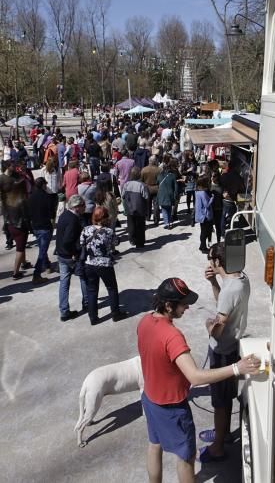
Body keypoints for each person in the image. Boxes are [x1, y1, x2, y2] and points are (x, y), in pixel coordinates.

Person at [137, 278, 260, 483]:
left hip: (150, 399)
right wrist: (237, 368)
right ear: (168, 305)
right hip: (172, 408)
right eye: (183, 303)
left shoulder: (144, 321)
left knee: (154, 445)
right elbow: (194, 376)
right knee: (186, 458)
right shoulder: (172, 335)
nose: (186, 308)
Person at [200, 242, 251, 461]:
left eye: (211, 258)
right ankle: (224, 433)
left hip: (222, 350)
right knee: (227, 397)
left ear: (219, 261)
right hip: (234, 347)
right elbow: (223, 300)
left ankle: (218, 446)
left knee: (220, 402)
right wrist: (213, 280)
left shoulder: (230, 290)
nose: (209, 262)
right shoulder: (241, 279)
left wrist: (209, 325)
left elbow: (218, 330)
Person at [80, 206, 127, 325]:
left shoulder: (86, 230)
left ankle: (93, 317)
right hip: (105, 264)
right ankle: (115, 314)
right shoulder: (108, 231)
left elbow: (81, 243)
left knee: (92, 290)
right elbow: (116, 242)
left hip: (89, 263)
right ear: (105, 218)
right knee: (111, 288)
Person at [55, 194, 88, 321]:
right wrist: (74, 252)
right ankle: (87, 303)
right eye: (83, 206)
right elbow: (68, 240)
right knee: (83, 277)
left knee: (64, 283)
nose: (84, 208)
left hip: (61, 255)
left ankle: (64, 311)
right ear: (77, 207)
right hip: (70, 256)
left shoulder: (64, 215)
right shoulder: (74, 220)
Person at [27, 177, 56, 283]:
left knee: (42, 248)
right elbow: (52, 213)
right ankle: (36, 274)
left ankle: (47, 265)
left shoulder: (30, 197)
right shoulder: (47, 197)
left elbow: (28, 213)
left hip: (35, 226)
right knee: (42, 251)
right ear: (43, 185)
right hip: (45, 226)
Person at [3, 170, 30, 279]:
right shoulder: (22, 201)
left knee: (21, 245)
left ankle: (24, 262)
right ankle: (15, 272)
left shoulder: (8, 198)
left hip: (10, 225)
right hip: (19, 226)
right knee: (20, 248)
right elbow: (26, 215)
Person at [122, 166, 150, 248]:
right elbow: (146, 197)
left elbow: (123, 196)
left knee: (131, 225)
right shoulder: (142, 185)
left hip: (129, 208)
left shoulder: (126, 184)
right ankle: (140, 243)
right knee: (140, 226)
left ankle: (132, 240)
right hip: (140, 209)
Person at [156, 159, 177, 230]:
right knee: (169, 209)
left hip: (162, 195)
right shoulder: (173, 176)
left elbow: (157, 184)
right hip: (170, 195)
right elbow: (176, 187)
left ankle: (167, 223)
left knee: (164, 210)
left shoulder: (159, 176)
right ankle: (170, 222)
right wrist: (175, 195)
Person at [195, 176, 213, 253]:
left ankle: (201, 246)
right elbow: (207, 205)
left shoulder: (197, 192)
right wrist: (212, 198)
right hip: (204, 216)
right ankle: (203, 247)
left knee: (202, 231)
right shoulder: (203, 193)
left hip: (199, 215)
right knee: (205, 232)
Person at [140, 155, 161, 226]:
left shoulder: (144, 169)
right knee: (156, 205)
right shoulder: (159, 170)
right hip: (156, 188)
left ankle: (147, 217)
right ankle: (156, 219)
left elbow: (141, 180)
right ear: (155, 161)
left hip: (147, 188)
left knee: (147, 204)